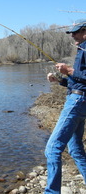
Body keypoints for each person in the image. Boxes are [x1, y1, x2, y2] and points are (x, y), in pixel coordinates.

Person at [45, 19, 86, 193]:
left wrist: (68, 70)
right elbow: (80, 82)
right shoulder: (82, 48)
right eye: (71, 32)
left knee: (52, 148)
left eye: (76, 32)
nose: (73, 35)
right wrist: (60, 80)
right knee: (75, 149)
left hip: (77, 103)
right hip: (80, 100)